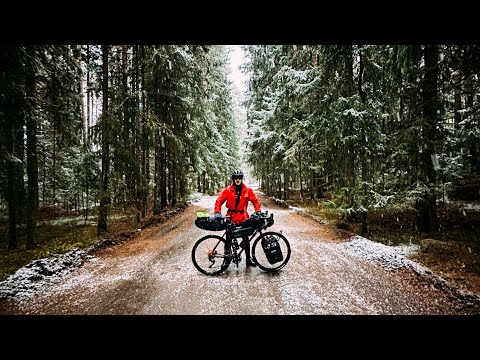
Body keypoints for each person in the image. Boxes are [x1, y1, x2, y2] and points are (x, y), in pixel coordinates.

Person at [214, 169, 261, 267]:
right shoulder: (228, 190)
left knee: (246, 238)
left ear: (241, 179)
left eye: (239, 178)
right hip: (231, 217)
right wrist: (217, 212)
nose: (238, 180)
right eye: (236, 178)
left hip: (243, 217)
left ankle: (248, 259)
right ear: (233, 179)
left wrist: (258, 211)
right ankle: (226, 260)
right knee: (228, 239)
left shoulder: (247, 190)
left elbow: (255, 201)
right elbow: (219, 201)